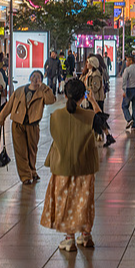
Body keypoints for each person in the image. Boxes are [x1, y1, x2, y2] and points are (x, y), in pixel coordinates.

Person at [41, 78, 101, 251]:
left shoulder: (56, 116)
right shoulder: (90, 117)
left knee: (65, 201)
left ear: (65, 95)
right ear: (83, 96)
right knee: (85, 201)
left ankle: (69, 238)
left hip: (62, 166)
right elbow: (102, 124)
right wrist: (93, 102)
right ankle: (86, 235)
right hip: (86, 167)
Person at [0, 70, 55, 184]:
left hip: (32, 125)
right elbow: (9, 105)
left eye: (38, 77)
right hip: (18, 124)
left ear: (41, 80)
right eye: (33, 76)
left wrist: (43, 87)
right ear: (30, 77)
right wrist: (1, 117)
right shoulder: (20, 91)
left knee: (32, 151)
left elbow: (51, 100)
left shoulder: (42, 93)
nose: (35, 78)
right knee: (20, 151)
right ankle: (25, 176)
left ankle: (32, 171)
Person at [81, 57, 115, 147]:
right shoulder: (89, 73)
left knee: (98, 118)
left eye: (88, 62)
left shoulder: (95, 74)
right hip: (90, 99)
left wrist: (86, 93)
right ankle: (106, 135)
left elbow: (94, 87)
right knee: (97, 118)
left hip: (95, 100)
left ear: (93, 64)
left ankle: (106, 135)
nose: (87, 64)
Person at [121, 55, 135, 130]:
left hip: (129, 89)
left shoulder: (127, 70)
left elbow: (124, 80)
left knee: (124, 106)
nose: (126, 62)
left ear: (131, 61)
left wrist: (124, 90)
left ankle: (129, 119)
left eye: (127, 61)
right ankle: (133, 125)